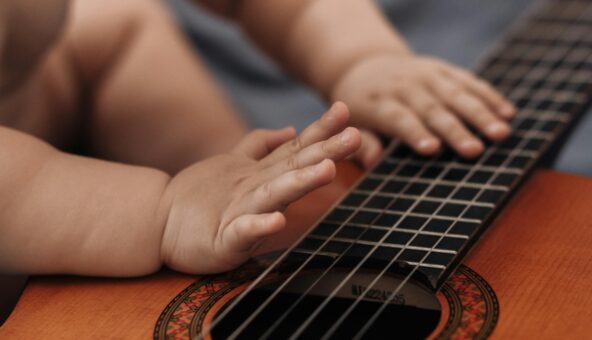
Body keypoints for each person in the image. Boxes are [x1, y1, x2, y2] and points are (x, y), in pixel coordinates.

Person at [0, 0, 514, 277]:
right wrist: (159, 212)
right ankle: (183, 213)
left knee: (119, 21)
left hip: (47, 95)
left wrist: (359, 58)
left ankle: (240, 194)